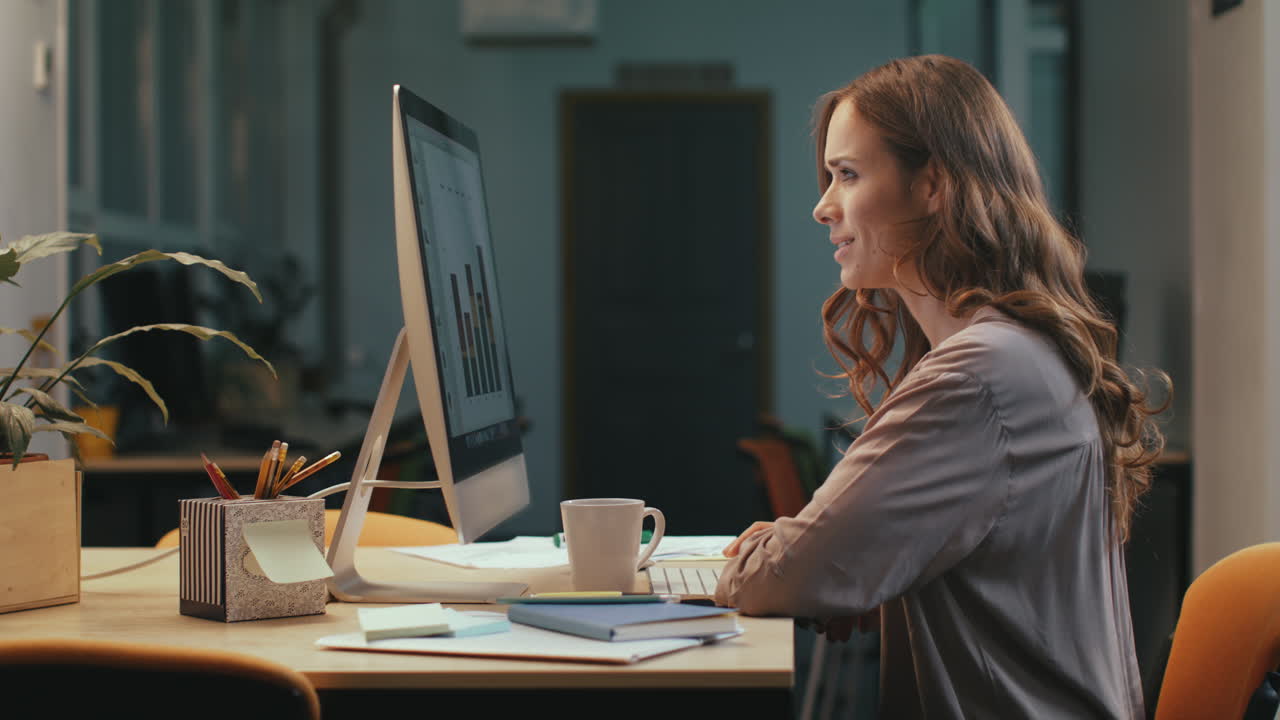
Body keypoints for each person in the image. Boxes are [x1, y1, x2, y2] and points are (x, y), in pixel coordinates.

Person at [713, 55, 1168, 719]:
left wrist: (779, 553)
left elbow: (786, 579)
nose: (822, 206)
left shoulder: (978, 375)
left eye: (847, 174)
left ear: (933, 186)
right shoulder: (1012, 351)